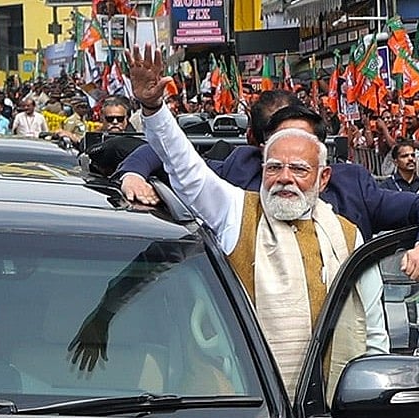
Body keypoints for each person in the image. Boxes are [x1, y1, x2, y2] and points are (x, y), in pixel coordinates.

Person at [126, 45, 382, 397]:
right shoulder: (238, 213)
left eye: (299, 169)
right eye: (274, 167)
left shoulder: (348, 236)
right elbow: (187, 171)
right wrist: (154, 110)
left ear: (323, 179)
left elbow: (373, 336)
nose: (285, 178)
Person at [116, 92, 419, 283]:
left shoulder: (353, 191)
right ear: (262, 153)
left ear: (323, 168)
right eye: (277, 161)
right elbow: (179, 161)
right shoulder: (237, 183)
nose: (286, 175)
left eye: (302, 157)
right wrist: (133, 174)